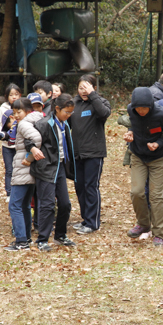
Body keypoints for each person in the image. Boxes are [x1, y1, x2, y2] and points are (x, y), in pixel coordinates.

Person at [124, 87, 163, 248]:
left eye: (144, 108)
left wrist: (158, 143)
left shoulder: (162, 115)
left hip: (159, 158)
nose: (141, 111)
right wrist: (130, 133)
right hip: (138, 156)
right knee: (137, 192)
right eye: (138, 108)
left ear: (151, 106)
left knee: (156, 196)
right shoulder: (131, 111)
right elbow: (133, 125)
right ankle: (143, 224)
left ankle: (159, 234)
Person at [27, 94, 78, 252]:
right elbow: (28, 139)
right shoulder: (43, 124)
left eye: (71, 113)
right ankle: (42, 239)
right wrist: (33, 149)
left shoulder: (65, 123)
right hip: (46, 168)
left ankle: (60, 235)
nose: (69, 115)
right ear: (57, 109)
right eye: (67, 112)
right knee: (48, 205)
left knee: (65, 204)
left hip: (60, 167)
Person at [68, 75, 111, 235]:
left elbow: (104, 114)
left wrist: (92, 96)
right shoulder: (73, 104)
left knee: (90, 186)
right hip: (77, 153)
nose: (83, 91)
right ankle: (85, 219)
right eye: (81, 88)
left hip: (94, 152)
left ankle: (93, 223)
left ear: (94, 87)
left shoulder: (100, 102)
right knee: (79, 187)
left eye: (87, 87)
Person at [5, 98, 43, 251]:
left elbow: (36, 139)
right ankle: (26, 237)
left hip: (24, 170)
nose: (16, 115)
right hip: (30, 171)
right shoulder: (36, 119)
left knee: (14, 205)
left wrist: (29, 158)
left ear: (28, 111)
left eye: (19, 112)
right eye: (14, 112)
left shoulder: (25, 124)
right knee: (24, 205)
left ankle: (21, 241)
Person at [0, 83, 21, 201]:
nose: (14, 97)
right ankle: (9, 192)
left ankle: (19, 191)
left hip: (20, 145)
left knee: (20, 168)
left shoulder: (23, 107)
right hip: (7, 145)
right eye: (11, 95)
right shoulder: (3, 108)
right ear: (7, 96)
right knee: (9, 169)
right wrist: (3, 134)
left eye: (16, 94)